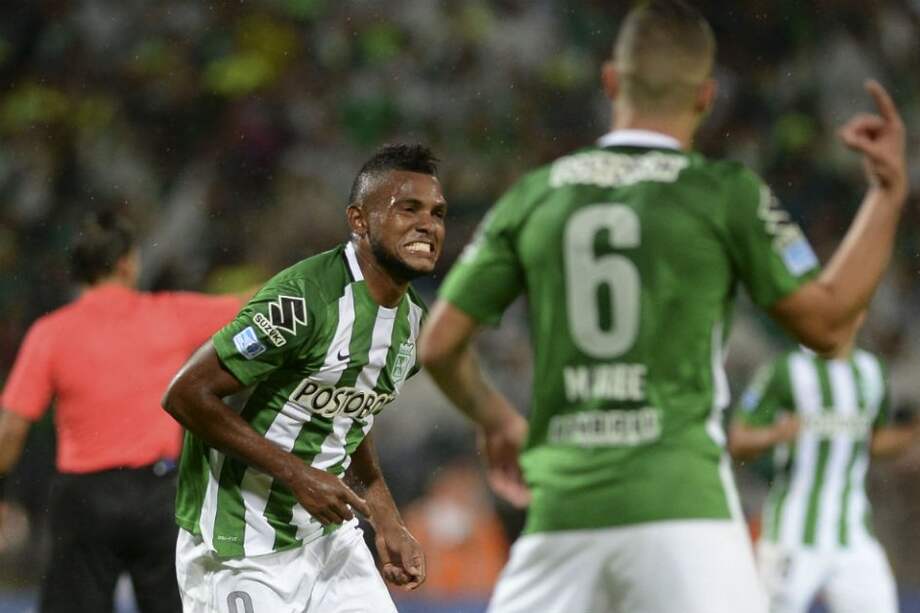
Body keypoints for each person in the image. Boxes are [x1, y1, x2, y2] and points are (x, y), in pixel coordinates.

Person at [417, 1, 908, 612]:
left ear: (610, 82)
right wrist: (886, 194)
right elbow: (829, 326)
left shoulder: (536, 195)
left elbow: (437, 344)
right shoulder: (722, 192)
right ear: (706, 97)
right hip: (684, 506)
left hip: (566, 510)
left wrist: (497, 419)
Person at [162, 143, 444, 613]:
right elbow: (186, 395)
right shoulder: (304, 301)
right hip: (239, 542)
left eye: (437, 212)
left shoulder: (412, 326)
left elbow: (350, 409)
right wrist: (298, 474)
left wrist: (385, 514)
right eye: (407, 209)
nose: (427, 225)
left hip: (329, 540)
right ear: (359, 220)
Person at [0, 210, 243, 613]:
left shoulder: (51, 332)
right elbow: (255, 309)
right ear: (127, 263)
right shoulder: (169, 314)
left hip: (86, 498)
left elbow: (11, 428)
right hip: (160, 495)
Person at [729, 318, 917, 613]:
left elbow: (871, 443)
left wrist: (913, 433)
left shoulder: (871, 371)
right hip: (792, 534)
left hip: (852, 535)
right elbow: (739, 442)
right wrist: (775, 434)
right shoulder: (786, 369)